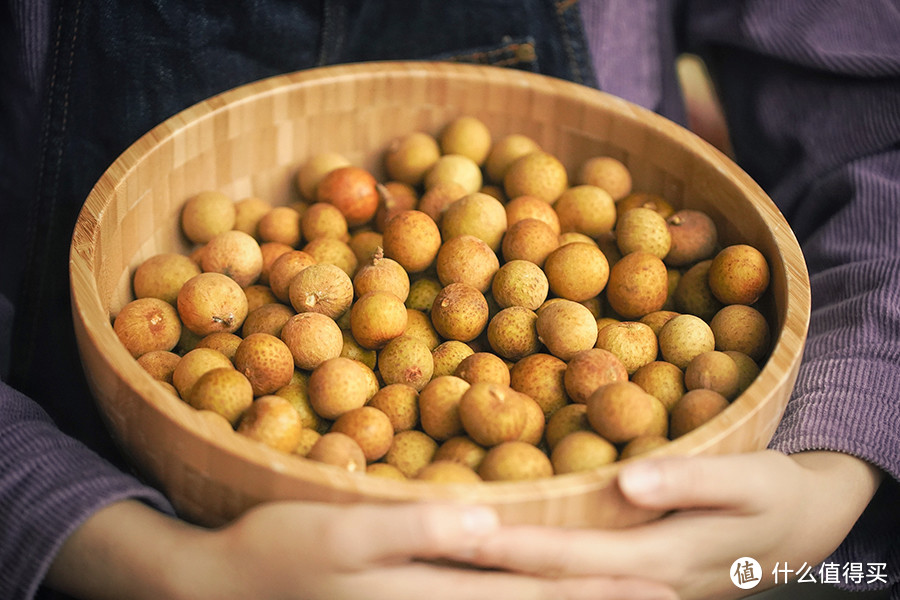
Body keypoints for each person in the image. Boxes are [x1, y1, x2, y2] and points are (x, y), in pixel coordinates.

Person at [1, 1, 897, 598]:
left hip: (670, 541)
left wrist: (830, 476)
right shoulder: (330, 314)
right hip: (118, 493)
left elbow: (872, 135)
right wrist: (151, 563)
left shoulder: (576, 285)